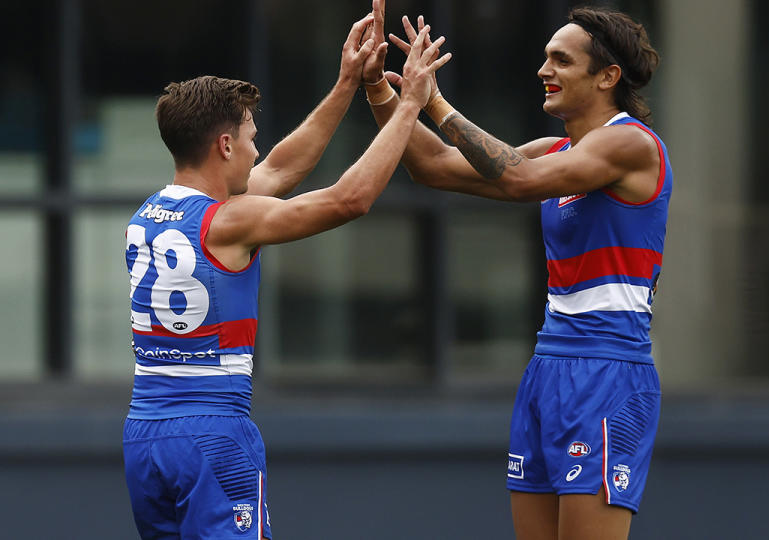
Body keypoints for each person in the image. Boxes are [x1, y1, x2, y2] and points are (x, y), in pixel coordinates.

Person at [121, 10, 450, 539]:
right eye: (250, 137)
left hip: (144, 434)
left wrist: (346, 83)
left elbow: (280, 169)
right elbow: (350, 199)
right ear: (224, 146)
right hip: (213, 433)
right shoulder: (229, 220)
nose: (257, 149)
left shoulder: (149, 215)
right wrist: (409, 103)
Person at [361, 3, 671, 539]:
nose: (543, 70)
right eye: (545, 58)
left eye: (561, 60)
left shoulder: (630, 143)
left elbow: (520, 179)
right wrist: (381, 92)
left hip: (607, 372)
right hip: (548, 368)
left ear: (607, 77)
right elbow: (432, 168)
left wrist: (434, 101)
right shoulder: (557, 151)